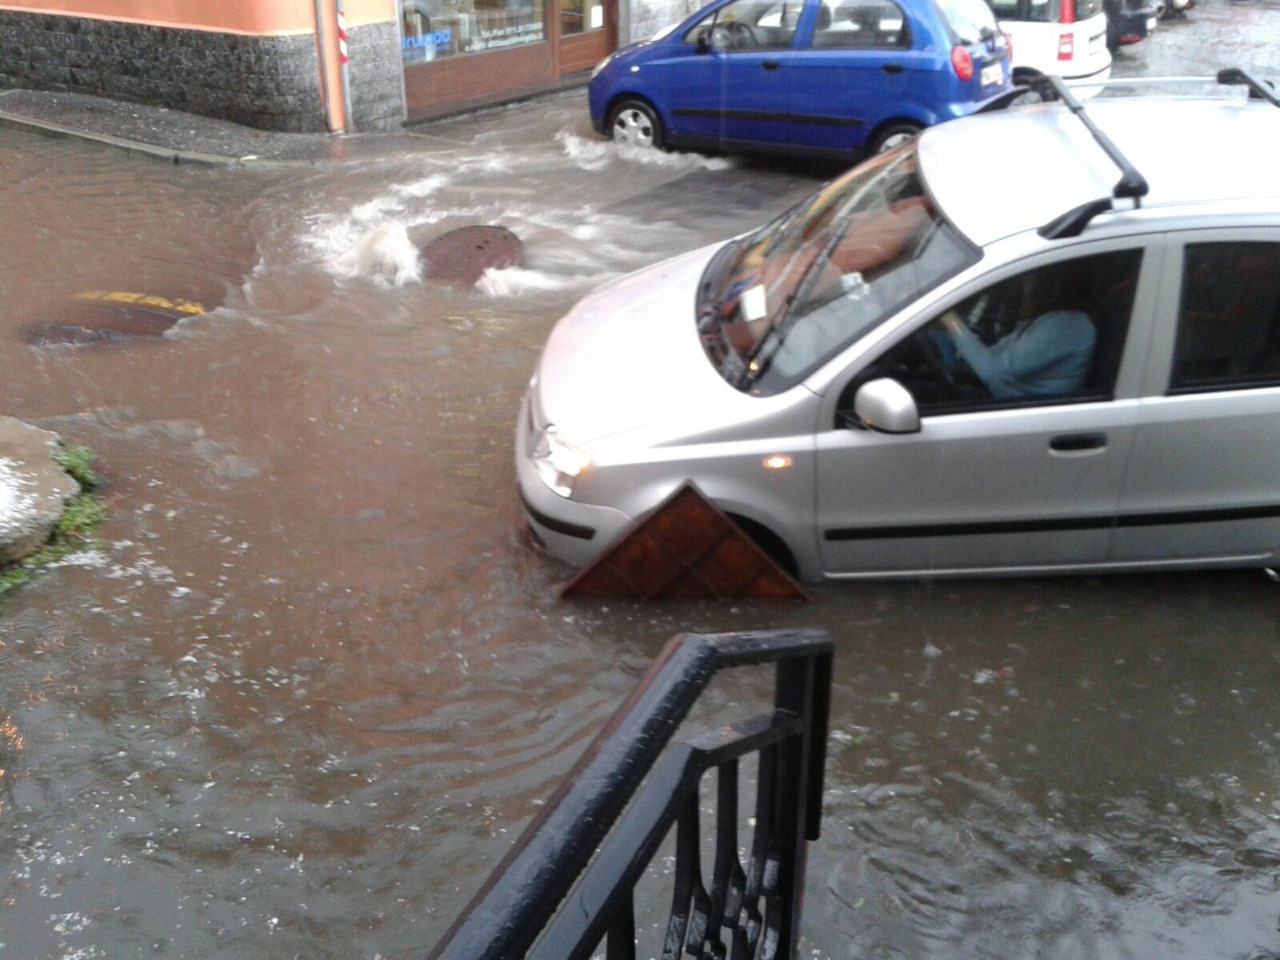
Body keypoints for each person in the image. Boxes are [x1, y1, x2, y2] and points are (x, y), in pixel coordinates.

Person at [935, 270, 1097, 400]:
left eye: (1033, 279)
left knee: (925, 393)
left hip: (1022, 413)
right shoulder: (1051, 319)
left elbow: (990, 372)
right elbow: (998, 357)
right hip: (1009, 398)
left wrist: (949, 318)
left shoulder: (1065, 325)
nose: (1027, 285)